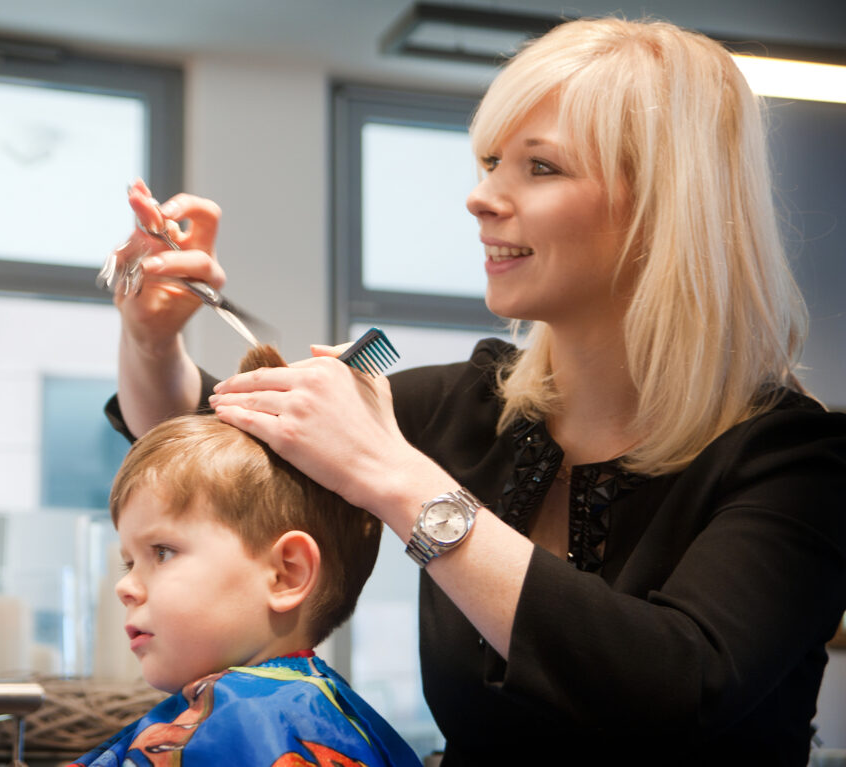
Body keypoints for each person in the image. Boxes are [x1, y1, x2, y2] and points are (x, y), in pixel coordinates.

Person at [103, 16, 846, 766]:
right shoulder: (471, 409)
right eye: (490, 162)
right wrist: (151, 340)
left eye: (540, 167)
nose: (481, 197)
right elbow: (220, 456)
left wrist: (398, 478)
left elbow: (675, 688)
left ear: (661, 206)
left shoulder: (796, 464)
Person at [72, 356, 422, 767]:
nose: (125, 587)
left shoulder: (254, 723)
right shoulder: (284, 711)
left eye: (162, 552)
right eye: (129, 564)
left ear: (286, 574)